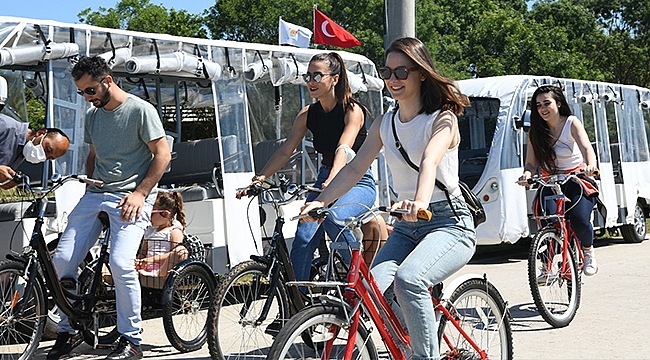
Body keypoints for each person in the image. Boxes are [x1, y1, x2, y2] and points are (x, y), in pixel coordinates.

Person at [301, 37, 476, 359]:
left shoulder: (443, 118)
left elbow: (429, 161)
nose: (393, 80)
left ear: (421, 73)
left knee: (409, 279)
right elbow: (354, 168)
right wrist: (321, 201)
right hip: (407, 228)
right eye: (387, 72)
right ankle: (414, 338)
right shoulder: (385, 122)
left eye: (402, 72)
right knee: (373, 291)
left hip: (449, 223)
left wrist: (420, 202)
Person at [49, 56, 170, 360]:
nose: (86, 98)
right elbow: (94, 155)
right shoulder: (93, 115)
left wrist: (141, 194)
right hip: (96, 194)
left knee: (119, 262)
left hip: (132, 196)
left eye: (89, 91)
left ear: (107, 81)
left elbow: (162, 155)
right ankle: (71, 329)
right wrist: (89, 186)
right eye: (81, 93)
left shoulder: (141, 111)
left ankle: (132, 339)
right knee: (61, 260)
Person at [236, 52, 377, 283]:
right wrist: (259, 178)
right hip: (325, 178)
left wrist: (332, 180)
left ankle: (359, 282)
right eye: (308, 75)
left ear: (335, 78)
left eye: (317, 75)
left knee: (333, 218)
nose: (310, 81)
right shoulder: (307, 115)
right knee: (302, 239)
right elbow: (285, 151)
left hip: (357, 179)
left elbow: (344, 148)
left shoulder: (353, 110)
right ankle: (296, 308)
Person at [518, 84, 599, 276]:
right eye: (538, 105)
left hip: (577, 179)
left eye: (547, 103)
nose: (542, 109)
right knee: (548, 222)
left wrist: (590, 166)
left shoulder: (571, 123)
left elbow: (587, 149)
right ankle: (546, 265)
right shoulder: (535, 132)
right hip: (551, 181)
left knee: (579, 219)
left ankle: (588, 252)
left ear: (559, 103)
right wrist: (527, 175)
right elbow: (530, 164)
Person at [0, 113, 70, 189]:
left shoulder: (23, 151)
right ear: (40, 133)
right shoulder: (5, 126)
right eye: (47, 150)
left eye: (49, 158)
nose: (43, 156)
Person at [136, 191, 188, 286]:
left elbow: (175, 254)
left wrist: (151, 259)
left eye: (152, 213)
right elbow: (143, 253)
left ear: (165, 214)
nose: (149, 217)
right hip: (146, 268)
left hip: (164, 270)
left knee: (180, 250)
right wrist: (140, 261)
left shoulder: (173, 231)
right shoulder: (150, 231)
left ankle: (158, 275)